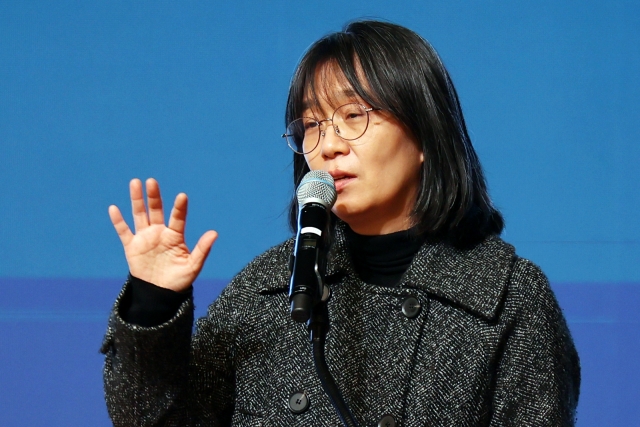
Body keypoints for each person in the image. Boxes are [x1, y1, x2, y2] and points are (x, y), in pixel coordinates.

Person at [101, 20, 580, 426]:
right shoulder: (267, 290)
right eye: (311, 125)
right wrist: (153, 302)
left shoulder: (507, 296)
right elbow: (152, 416)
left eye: (353, 115)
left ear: (425, 137)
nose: (327, 146)